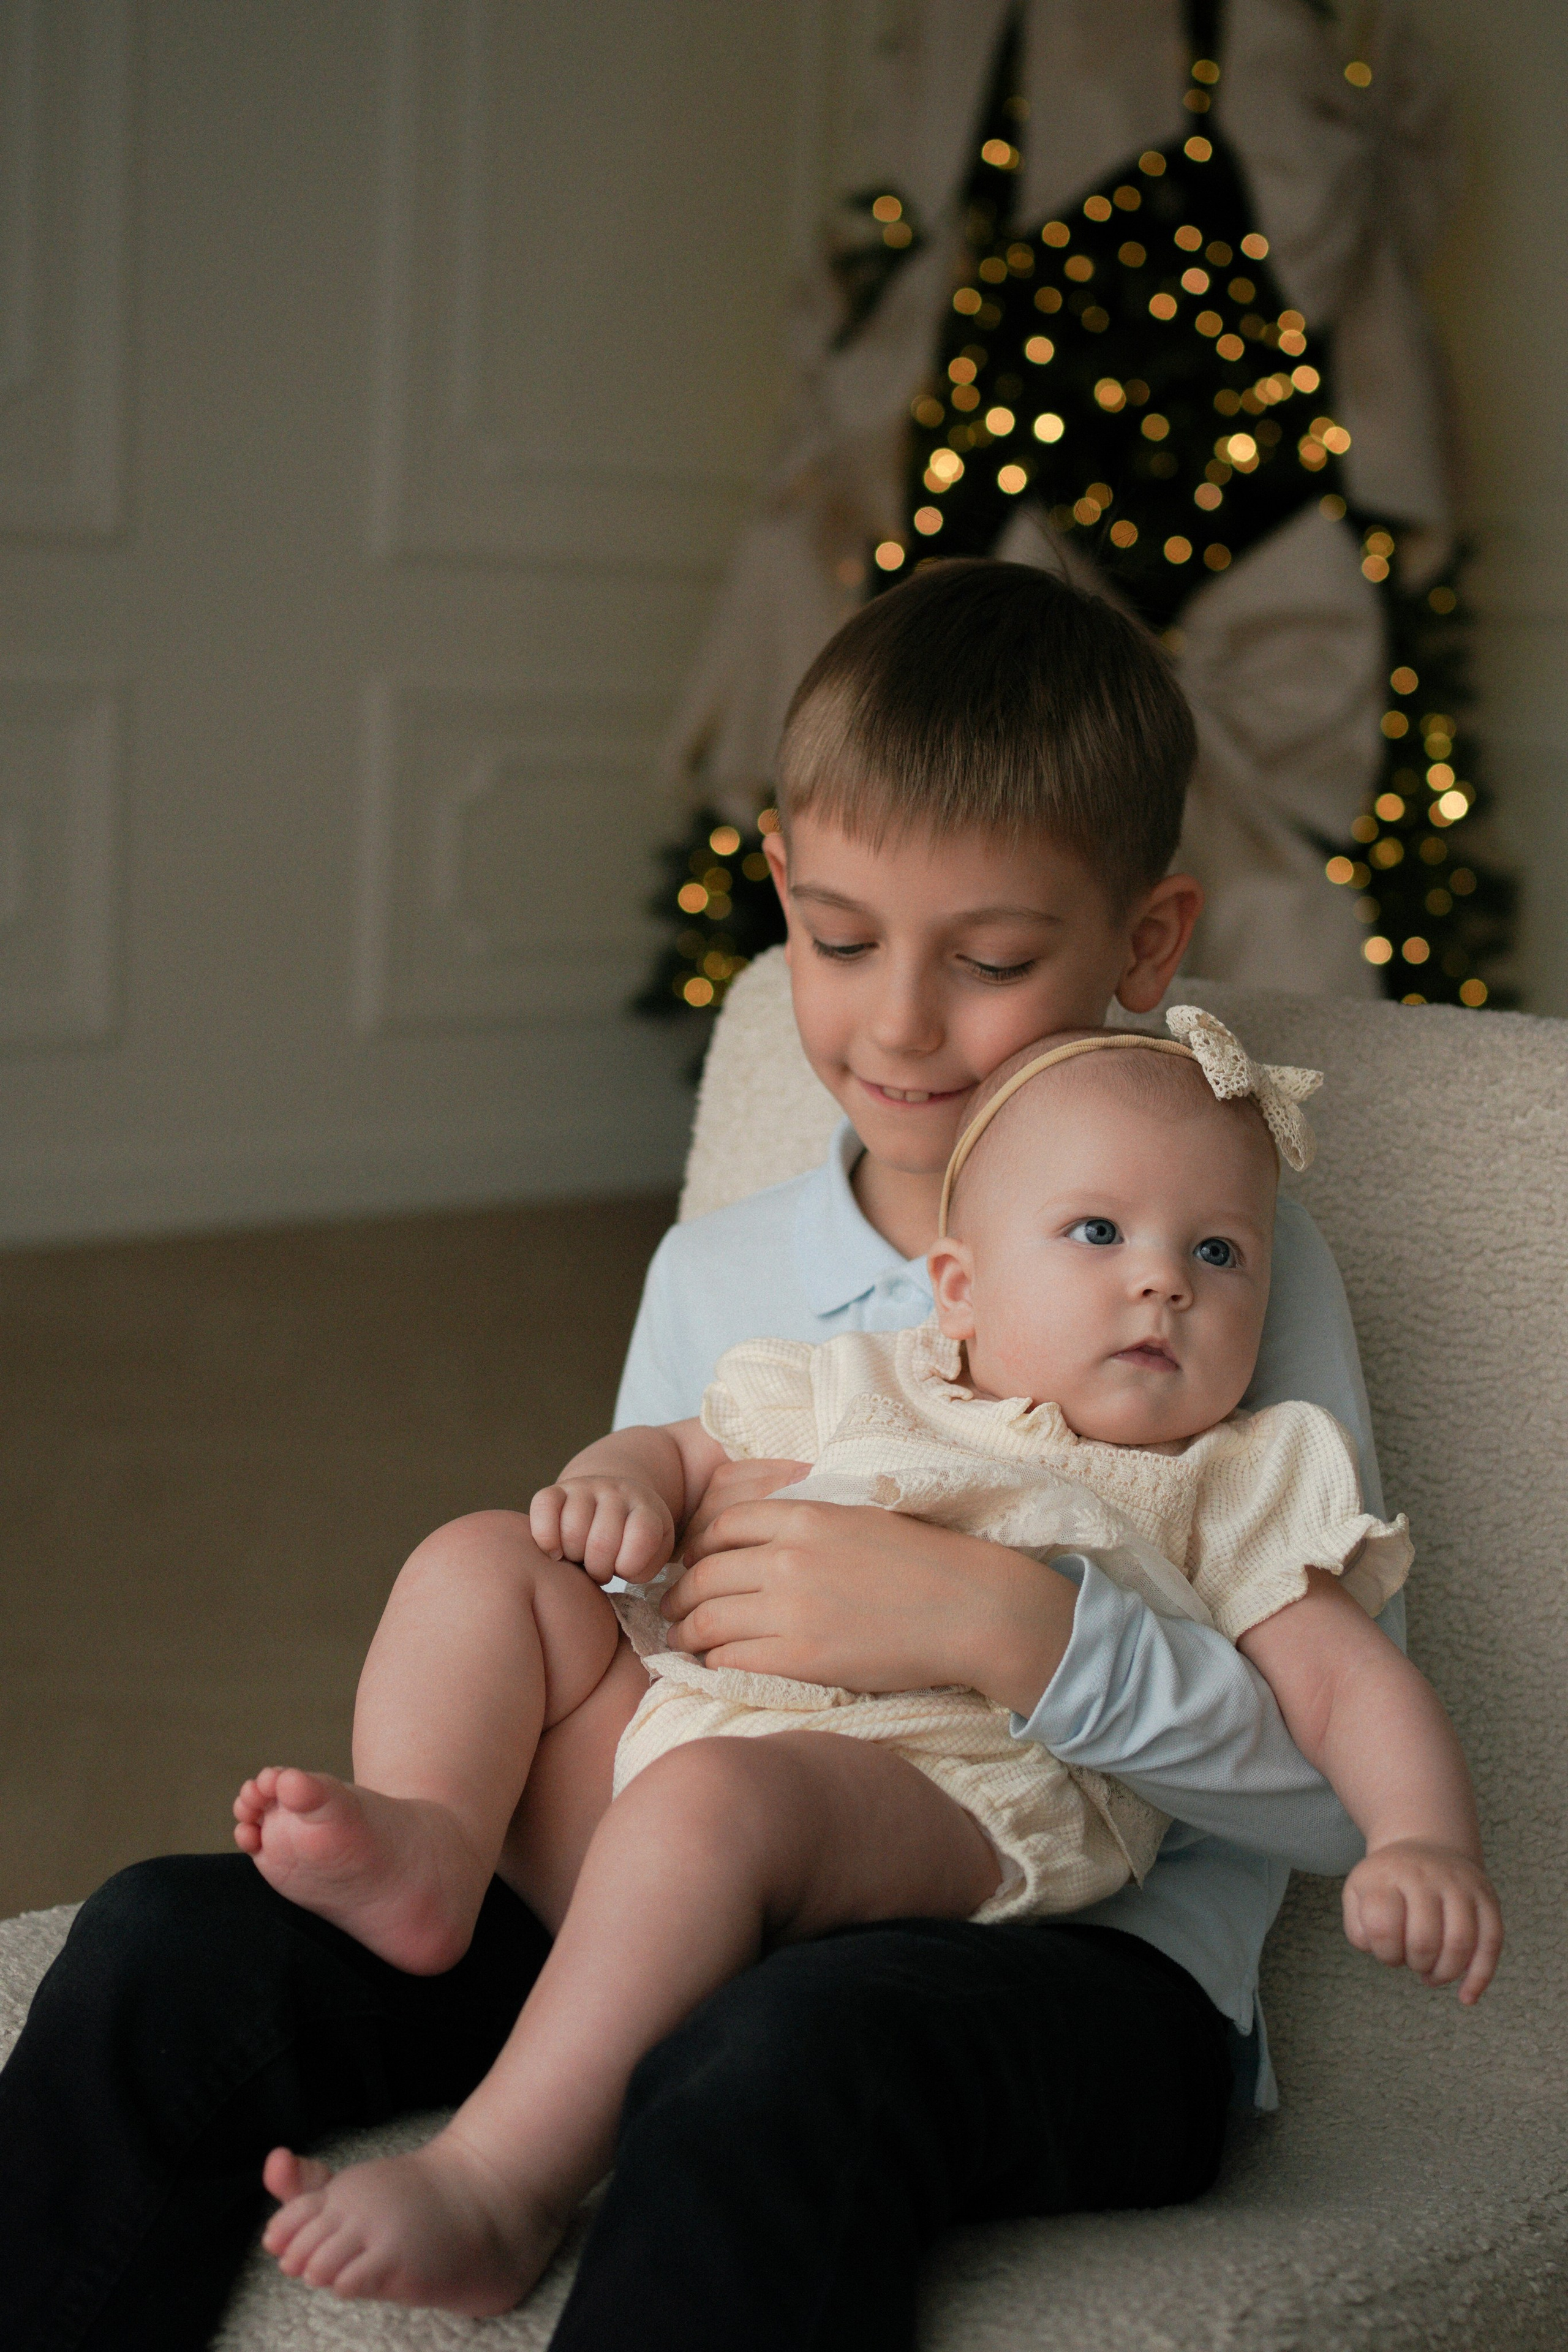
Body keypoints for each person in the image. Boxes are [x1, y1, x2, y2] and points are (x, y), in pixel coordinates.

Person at [0, 562, 1439, 2351]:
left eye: (989, 963)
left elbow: (1331, 1794)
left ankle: (517, 2175)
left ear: (1145, 945)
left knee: (776, 2061)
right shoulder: (728, 1274)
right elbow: (636, 1645)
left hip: (1066, 1958)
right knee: (163, 1946)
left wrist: (1015, 1631)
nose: (899, 1025)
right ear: (781, 890)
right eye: (840, 941)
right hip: (686, 1859)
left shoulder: (1212, 1269)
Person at [247, 1005, 1501, 2310]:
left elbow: (1346, 1684)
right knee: (479, 1559)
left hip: (952, 1806)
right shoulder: (868, 1378)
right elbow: (683, 1450)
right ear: (957, 1287)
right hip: (684, 1735)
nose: (1161, 1280)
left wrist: (1423, 1838)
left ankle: (498, 2185)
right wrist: (613, 1484)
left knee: (711, 1807)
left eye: (1218, 1252)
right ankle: (433, 1844)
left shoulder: (1224, 1476)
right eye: (1095, 1232)